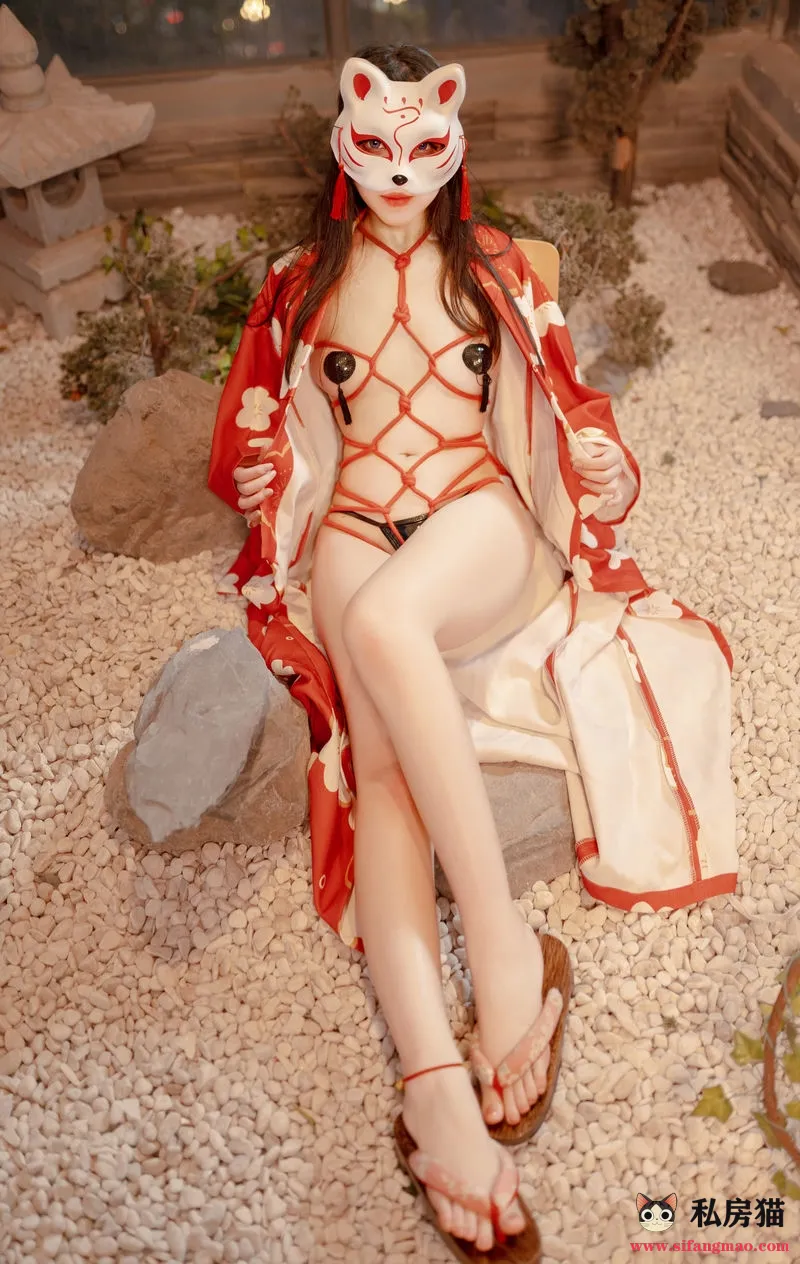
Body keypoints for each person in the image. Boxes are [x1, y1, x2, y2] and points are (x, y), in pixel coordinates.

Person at [208, 44, 737, 1259]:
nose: (398, 171)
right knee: (382, 768)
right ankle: (433, 1084)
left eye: (419, 147)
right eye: (375, 146)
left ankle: (498, 953)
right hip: (353, 524)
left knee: (384, 627)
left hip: (476, 516)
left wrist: (603, 469)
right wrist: (259, 473)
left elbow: (569, 409)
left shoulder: (495, 264)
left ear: (451, 141)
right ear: (344, 143)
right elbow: (253, 440)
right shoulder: (297, 285)